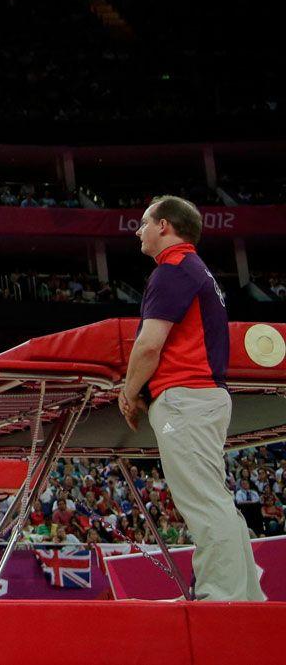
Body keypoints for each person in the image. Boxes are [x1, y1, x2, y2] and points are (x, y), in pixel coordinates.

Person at [120, 194, 264, 601]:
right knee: (215, 499)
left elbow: (149, 346)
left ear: (164, 225)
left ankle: (221, 597)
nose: (138, 230)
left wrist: (129, 392)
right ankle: (246, 597)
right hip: (204, 396)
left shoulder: (173, 270)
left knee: (203, 502)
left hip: (186, 396)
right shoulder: (199, 272)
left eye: (144, 222)